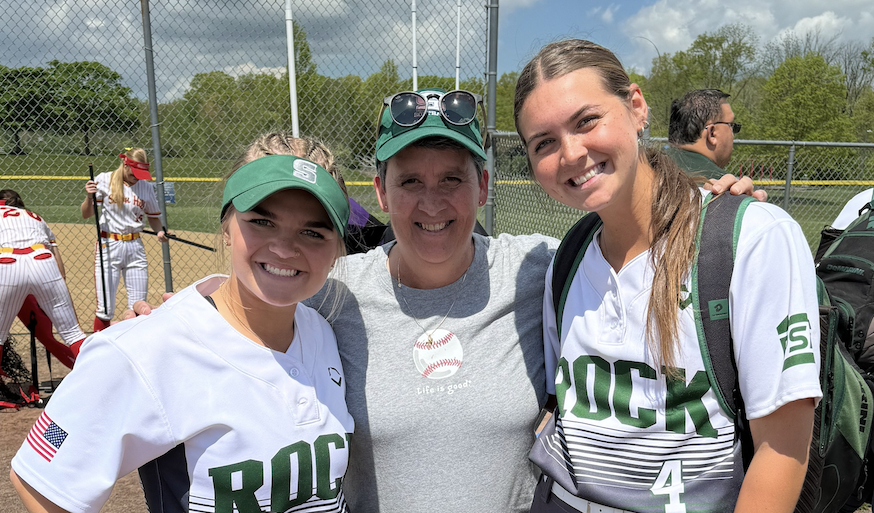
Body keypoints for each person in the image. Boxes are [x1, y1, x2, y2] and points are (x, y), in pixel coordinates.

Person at [128, 96, 763, 512]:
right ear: (379, 190)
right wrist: (183, 311)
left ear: (483, 185)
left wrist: (706, 204)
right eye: (410, 182)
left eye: (452, 178)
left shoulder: (542, 267)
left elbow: (636, 235)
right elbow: (257, 290)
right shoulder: (333, 291)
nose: (433, 203)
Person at [514, 39, 821, 513]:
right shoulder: (567, 258)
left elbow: (782, 450)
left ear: (636, 106)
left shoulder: (752, 239)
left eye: (586, 121)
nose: (571, 153)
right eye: (545, 143)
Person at [10, 135, 354, 513]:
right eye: (261, 221)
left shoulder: (324, 332)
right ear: (226, 226)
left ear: (338, 246)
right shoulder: (146, 350)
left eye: (313, 232)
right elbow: (42, 484)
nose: (285, 248)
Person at [0, 189, 85, 405]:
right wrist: (54, 290)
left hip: (8, 263)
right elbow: (59, 264)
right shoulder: (35, 216)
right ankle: (97, 377)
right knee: (73, 333)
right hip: (44, 262)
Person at [80, 147, 168, 332]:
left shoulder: (145, 186)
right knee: (105, 308)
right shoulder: (104, 180)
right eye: (134, 172)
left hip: (135, 246)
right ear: (125, 164)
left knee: (138, 305)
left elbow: (152, 216)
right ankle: (100, 349)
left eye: (141, 173)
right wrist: (89, 196)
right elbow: (86, 214)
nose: (137, 177)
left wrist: (160, 231)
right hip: (109, 245)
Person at [667, 89, 740, 179]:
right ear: (712, 134)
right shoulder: (723, 188)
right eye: (731, 125)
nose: (733, 134)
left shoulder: (649, 167)